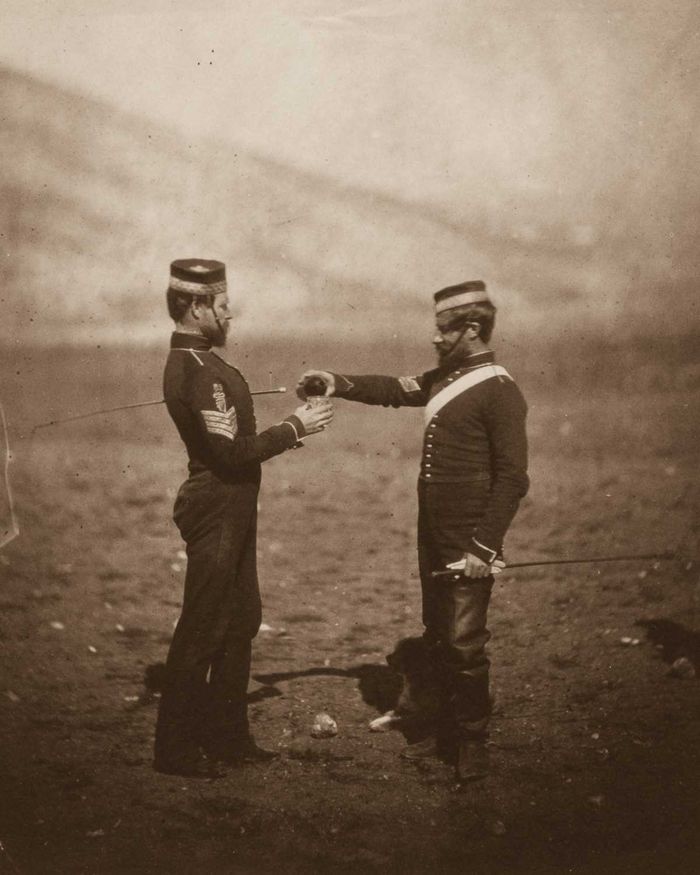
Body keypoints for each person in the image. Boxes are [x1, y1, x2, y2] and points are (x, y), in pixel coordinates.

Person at [297, 280, 528, 781]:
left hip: (468, 540)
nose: (435, 337)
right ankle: (443, 731)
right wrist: (338, 381)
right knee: (439, 634)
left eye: (444, 329)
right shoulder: (447, 377)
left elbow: (513, 478)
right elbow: (395, 390)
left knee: (465, 644)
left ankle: (471, 743)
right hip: (434, 534)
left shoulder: (499, 390)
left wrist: (483, 547)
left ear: (472, 329)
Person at [154, 258, 333, 778]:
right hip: (216, 505)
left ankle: (227, 738)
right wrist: (296, 427)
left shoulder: (200, 364)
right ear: (196, 306)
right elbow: (229, 454)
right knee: (204, 624)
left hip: (230, 505)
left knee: (239, 618)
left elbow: (230, 436)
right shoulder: (200, 371)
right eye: (222, 304)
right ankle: (175, 751)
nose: (230, 314)